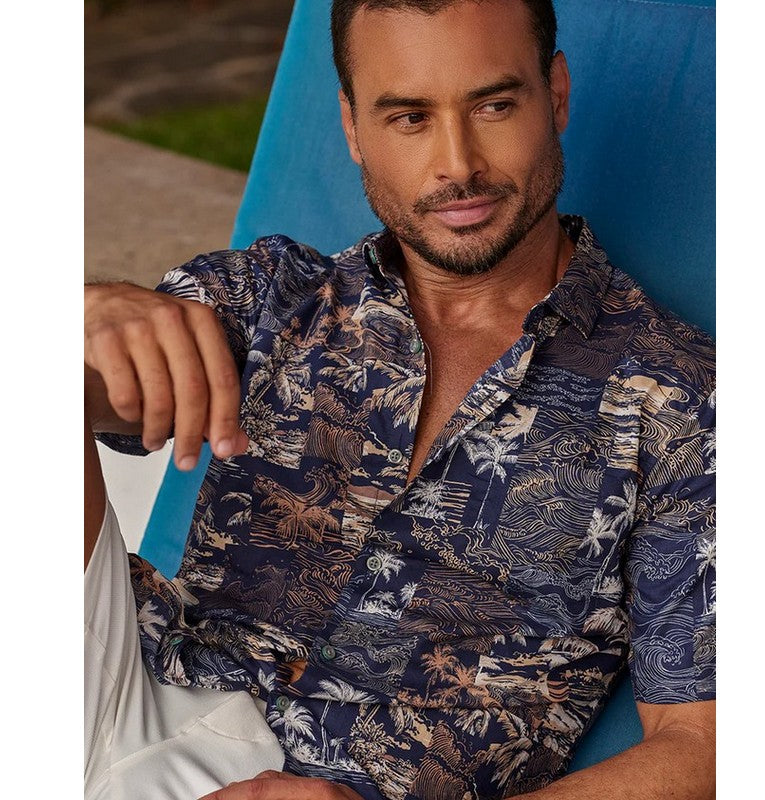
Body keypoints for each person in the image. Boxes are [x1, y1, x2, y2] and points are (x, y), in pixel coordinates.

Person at [84, 1, 715, 798]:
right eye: (410, 117)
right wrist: (84, 318)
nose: (458, 165)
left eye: (493, 105)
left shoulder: (680, 403)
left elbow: (709, 747)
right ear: (353, 128)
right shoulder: (275, 295)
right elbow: (95, 386)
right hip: (116, 687)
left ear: (554, 93)